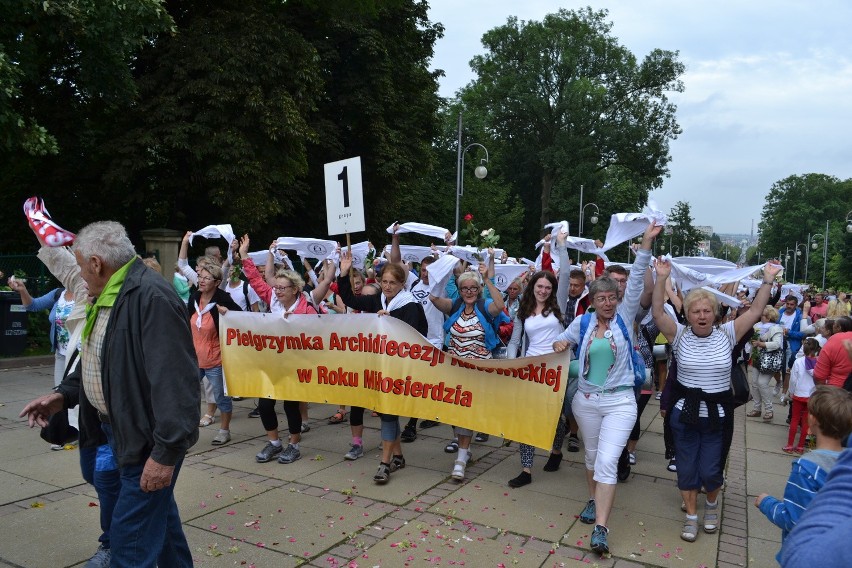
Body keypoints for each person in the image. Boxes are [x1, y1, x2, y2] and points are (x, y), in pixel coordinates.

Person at [20, 220, 200, 567]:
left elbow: (178, 386)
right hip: (119, 433)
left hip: (146, 442)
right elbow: (99, 360)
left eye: (81, 265)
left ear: (97, 263)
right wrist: (64, 395)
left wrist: (165, 455)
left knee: (129, 544)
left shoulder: (151, 298)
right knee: (161, 526)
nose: (80, 275)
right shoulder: (110, 293)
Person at [652, 256, 781, 545]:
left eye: (706, 310)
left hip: (717, 416)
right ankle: (692, 516)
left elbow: (758, 309)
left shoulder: (728, 333)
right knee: (686, 468)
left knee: (711, 469)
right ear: (687, 313)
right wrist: (661, 278)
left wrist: (768, 278)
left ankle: (711, 504)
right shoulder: (679, 334)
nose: (701, 315)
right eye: (695, 310)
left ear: (715, 312)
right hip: (683, 415)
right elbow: (658, 310)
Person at [550, 222, 661, 555]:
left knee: (608, 462)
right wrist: (558, 344)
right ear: (593, 300)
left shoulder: (625, 319)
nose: (608, 303)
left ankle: (601, 527)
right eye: (602, 298)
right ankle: (591, 499)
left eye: (613, 297)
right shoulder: (582, 322)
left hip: (620, 403)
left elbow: (638, 274)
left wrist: (645, 244)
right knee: (592, 456)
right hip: (585, 402)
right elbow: (563, 341)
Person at [238, 235, 333, 465]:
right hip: (273, 362)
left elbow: (317, 335)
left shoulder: (306, 307)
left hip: (296, 364)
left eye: (282, 288)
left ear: (294, 289)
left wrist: (298, 324)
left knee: (291, 406)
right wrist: (244, 256)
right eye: (276, 287)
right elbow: (256, 279)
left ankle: (293, 444)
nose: (277, 291)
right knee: (264, 404)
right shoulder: (272, 299)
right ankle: (274, 443)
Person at [337, 249, 428, 484]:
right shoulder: (378, 299)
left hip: (398, 371)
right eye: (384, 282)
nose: (387, 287)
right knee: (388, 415)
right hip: (380, 367)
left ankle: (384, 463)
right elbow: (350, 299)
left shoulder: (410, 305)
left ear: (402, 284)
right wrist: (343, 273)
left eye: (392, 283)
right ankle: (397, 456)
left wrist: (390, 321)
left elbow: (414, 338)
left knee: (388, 415)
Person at [756, 386, 852, 561]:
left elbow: (794, 519)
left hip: (807, 554)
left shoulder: (807, 467)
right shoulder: (847, 464)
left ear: (812, 419)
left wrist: (767, 503)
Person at [506, 271, 566, 487]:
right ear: (532, 287)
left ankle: (556, 451)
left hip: (555, 369)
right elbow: (514, 341)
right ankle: (526, 469)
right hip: (530, 369)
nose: (543, 291)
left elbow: (565, 273)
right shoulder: (523, 310)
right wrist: (512, 362)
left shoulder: (558, 305)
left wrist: (560, 245)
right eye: (539, 286)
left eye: (548, 287)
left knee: (556, 419)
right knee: (526, 418)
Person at [187, 260, 241, 445]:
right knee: (189, 397)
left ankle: (224, 431)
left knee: (221, 397)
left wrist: (228, 313)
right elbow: (187, 322)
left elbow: (241, 318)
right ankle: (187, 435)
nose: (201, 281)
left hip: (215, 359)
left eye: (206, 278)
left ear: (217, 282)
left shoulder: (223, 298)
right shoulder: (194, 297)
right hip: (194, 359)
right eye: (200, 277)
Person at [7, 278, 75, 389]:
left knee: (79, 399)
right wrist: (22, 290)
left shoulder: (88, 294)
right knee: (60, 394)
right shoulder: (59, 293)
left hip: (81, 355)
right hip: (61, 354)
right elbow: (33, 305)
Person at [747, 306, 784, 421]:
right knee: (754, 384)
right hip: (758, 358)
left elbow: (777, 344)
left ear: (768, 317)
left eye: (762, 315)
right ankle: (757, 409)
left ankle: (769, 410)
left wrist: (761, 344)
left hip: (769, 360)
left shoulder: (776, 328)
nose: (760, 316)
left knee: (762, 383)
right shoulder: (757, 326)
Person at [784, 338, 820, 453]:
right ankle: (800, 446)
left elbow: (793, 379)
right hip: (811, 395)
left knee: (795, 419)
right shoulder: (819, 363)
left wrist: (791, 391)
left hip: (799, 393)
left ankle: (790, 445)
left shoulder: (798, 361)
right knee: (806, 422)